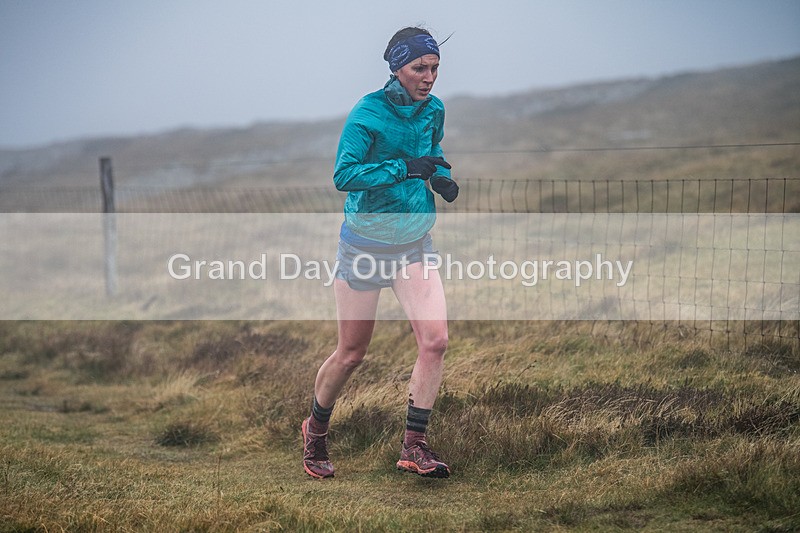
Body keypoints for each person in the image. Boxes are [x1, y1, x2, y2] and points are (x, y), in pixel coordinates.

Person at [301, 26, 459, 479]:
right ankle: (315, 431)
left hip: (413, 242)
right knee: (351, 354)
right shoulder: (366, 114)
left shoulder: (434, 109)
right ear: (396, 68)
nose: (428, 78)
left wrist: (439, 174)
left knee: (436, 341)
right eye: (418, 68)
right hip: (364, 246)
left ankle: (415, 447)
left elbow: (433, 149)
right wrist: (403, 168)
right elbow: (344, 176)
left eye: (434, 68)